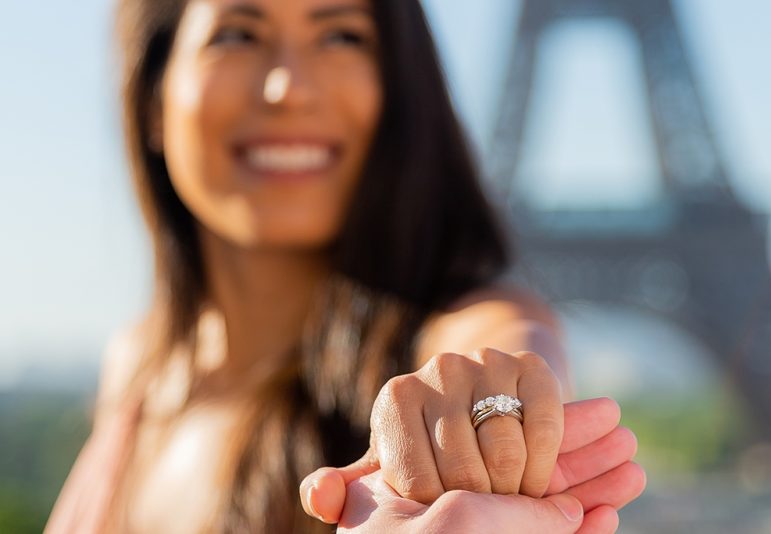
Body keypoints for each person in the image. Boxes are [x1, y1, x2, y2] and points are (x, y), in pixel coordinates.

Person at [45, 0, 645, 532]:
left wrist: (492, 405)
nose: (289, 87)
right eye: (237, 33)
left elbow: (502, 349)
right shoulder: (135, 365)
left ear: (397, 93)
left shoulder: (454, 329)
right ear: (153, 98)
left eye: (342, 36)